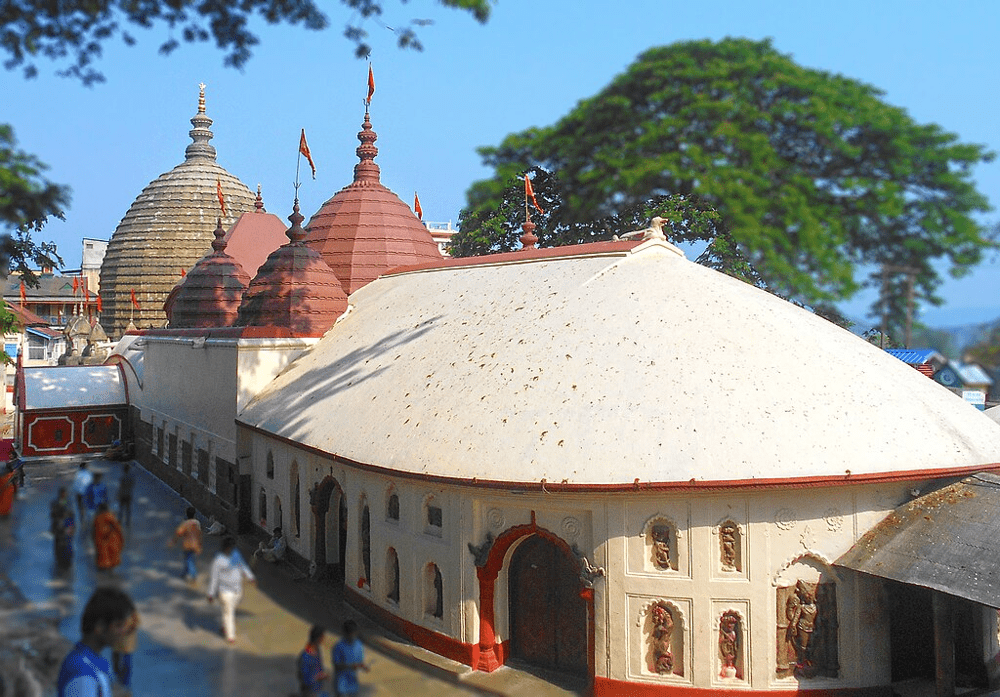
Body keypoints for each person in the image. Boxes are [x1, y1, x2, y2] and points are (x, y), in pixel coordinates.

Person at [57, 587, 138, 697]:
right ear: (100, 627)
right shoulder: (83, 673)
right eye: (118, 625)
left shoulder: (94, 662)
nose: (123, 631)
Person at [206, 536, 255, 644]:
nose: (231, 549)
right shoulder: (218, 560)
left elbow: (243, 566)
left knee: (228, 610)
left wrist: (251, 577)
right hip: (225, 591)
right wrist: (210, 593)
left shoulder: (236, 555)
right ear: (226, 548)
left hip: (238, 590)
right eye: (230, 547)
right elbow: (214, 578)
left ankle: (224, 626)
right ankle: (231, 636)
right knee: (229, 613)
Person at [332, 620, 369, 696]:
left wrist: (363, 666)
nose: (352, 635)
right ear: (345, 633)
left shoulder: (359, 645)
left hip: (353, 684)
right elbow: (336, 665)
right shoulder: (339, 646)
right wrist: (350, 666)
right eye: (350, 633)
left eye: (353, 633)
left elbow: (359, 662)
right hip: (341, 685)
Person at [169, 506, 203, 581]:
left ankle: (193, 575)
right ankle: (184, 573)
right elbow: (199, 534)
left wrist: (173, 542)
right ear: (194, 514)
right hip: (195, 544)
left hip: (187, 545)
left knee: (188, 560)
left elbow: (178, 533)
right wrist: (200, 545)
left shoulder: (185, 524)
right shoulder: (197, 523)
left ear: (187, 514)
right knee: (190, 559)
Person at [298, 624, 329, 697]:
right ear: (318, 638)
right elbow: (305, 679)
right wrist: (319, 677)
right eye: (322, 637)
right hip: (310, 693)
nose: (323, 639)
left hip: (318, 691)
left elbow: (319, 668)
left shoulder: (317, 650)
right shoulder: (306, 657)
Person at [92, 503, 124, 572]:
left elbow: (93, 530)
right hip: (109, 539)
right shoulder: (110, 516)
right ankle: (109, 569)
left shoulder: (97, 518)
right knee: (109, 555)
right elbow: (117, 527)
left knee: (102, 554)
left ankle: (103, 567)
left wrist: (93, 539)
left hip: (100, 539)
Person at [50, 486, 76, 566]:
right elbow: (52, 514)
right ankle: (60, 559)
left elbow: (72, 515)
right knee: (59, 544)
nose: (64, 495)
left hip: (66, 527)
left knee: (67, 543)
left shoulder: (68, 502)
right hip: (59, 527)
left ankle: (66, 559)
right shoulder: (56, 502)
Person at [117, 462, 135, 527]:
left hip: (123, 495)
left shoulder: (122, 477)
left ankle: (120, 521)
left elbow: (121, 487)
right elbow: (132, 485)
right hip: (129, 494)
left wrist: (118, 495)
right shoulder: (131, 477)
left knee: (121, 508)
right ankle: (128, 521)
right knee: (128, 509)